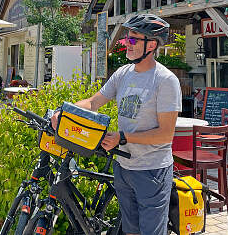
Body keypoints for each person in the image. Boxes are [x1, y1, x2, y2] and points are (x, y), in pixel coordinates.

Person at [52, 14, 182, 235]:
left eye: (133, 40)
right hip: (124, 168)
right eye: (126, 40)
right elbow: (94, 102)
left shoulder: (165, 80)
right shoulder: (123, 74)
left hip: (152, 170)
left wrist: (123, 137)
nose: (126, 45)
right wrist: (64, 112)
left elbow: (165, 135)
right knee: (129, 231)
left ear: (151, 44)